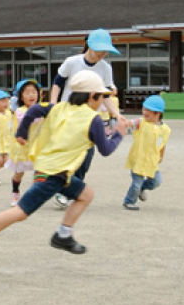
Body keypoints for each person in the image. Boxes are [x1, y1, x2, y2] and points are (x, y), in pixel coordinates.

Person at [0, 71, 128, 264]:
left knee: (86, 194)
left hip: (54, 170)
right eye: (102, 96)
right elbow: (105, 149)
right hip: (54, 174)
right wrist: (119, 133)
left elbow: (35, 110)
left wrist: (23, 132)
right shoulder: (93, 119)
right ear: (92, 96)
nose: (103, 100)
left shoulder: (59, 107)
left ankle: (63, 235)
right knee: (20, 212)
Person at [49, 28, 126, 208]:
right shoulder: (72, 62)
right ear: (89, 45)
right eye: (100, 49)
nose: (102, 54)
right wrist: (53, 104)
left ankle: (72, 189)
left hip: (90, 116)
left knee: (87, 155)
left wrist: (117, 115)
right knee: (68, 152)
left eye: (105, 50)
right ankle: (63, 189)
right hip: (68, 114)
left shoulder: (105, 68)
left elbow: (105, 96)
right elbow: (57, 83)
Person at [122, 95, 171, 211]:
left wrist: (161, 156)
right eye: (144, 109)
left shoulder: (165, 130)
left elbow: (162, 144)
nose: (144, 112)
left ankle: (142, 189)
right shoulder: (141, 122)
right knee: (136, 183)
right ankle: (129, 201)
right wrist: (125, 122)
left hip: (151, 161)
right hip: (137, 159)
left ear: (157, 113)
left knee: (156, 181)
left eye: (148, 111)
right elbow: (132, 123)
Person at [4, 79, 42, 207]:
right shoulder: (21, 111)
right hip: (22, 147)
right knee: (19, 172)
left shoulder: (42, 108)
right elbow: (30, 121)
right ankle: (15, 192)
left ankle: (33, 195)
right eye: (27, 93)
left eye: (34, 92)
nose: (31, 95)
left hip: (37, 147)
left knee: (39, 171)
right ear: (21, 96)